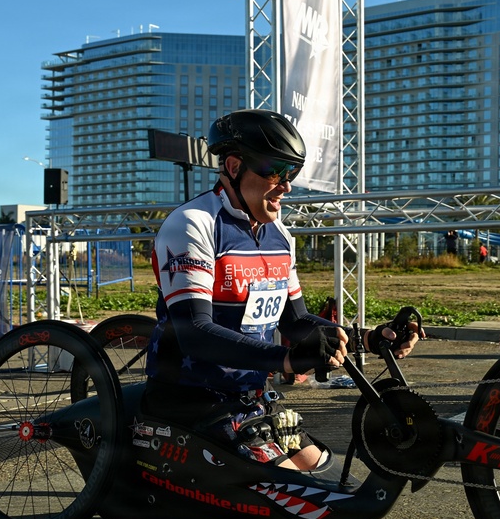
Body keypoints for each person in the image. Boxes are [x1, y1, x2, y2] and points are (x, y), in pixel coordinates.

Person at [141, 109, 419, 470]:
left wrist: (371, 339)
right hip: (192, 399)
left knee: (329, 474)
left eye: (292, 173)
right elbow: (193, 331)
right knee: (303, 493)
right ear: (234, 166)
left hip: (250, 400)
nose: (286, 185)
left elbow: (296, 321)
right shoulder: (193, 224)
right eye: (275, 171)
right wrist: (286, 360)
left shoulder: (280, 236)